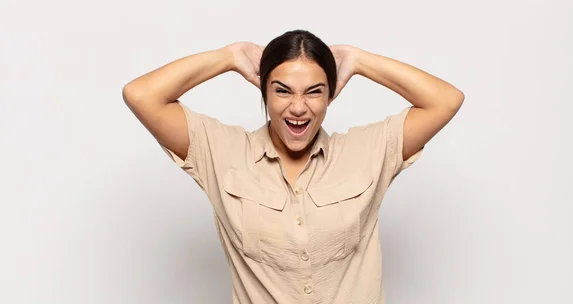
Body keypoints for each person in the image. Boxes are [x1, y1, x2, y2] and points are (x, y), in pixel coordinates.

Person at [122, 29, 464, 304]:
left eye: (314, 92)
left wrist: (359, 61)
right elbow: (141, 95)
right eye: (282, 91)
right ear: (264, 93)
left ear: (331, 95)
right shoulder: (221, 151)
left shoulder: (368, 151)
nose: (298, 107)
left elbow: (445, 100)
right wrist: (227, 58)